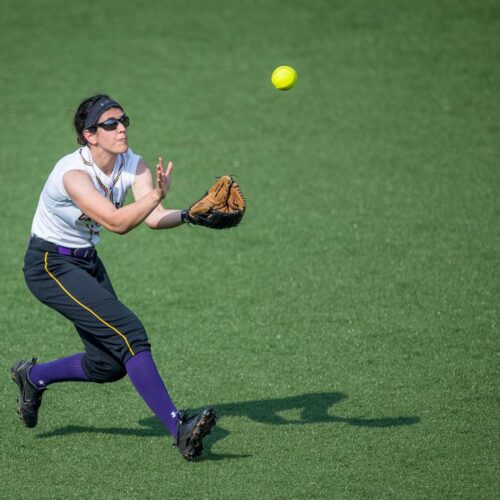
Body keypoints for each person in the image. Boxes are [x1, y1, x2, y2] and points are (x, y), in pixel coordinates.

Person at [11, 94, 216, 461]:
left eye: (123, 121)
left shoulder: (131, 163)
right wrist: (155, 195)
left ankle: (34, 376)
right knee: (130, 333)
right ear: (90, 135)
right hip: (48, 265)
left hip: (86, 262)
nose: (121, 128)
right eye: (110, 124)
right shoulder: (72, 175)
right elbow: (117, 222)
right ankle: (179, 429)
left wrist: (189, 214)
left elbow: (153, 217)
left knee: (107, 366)